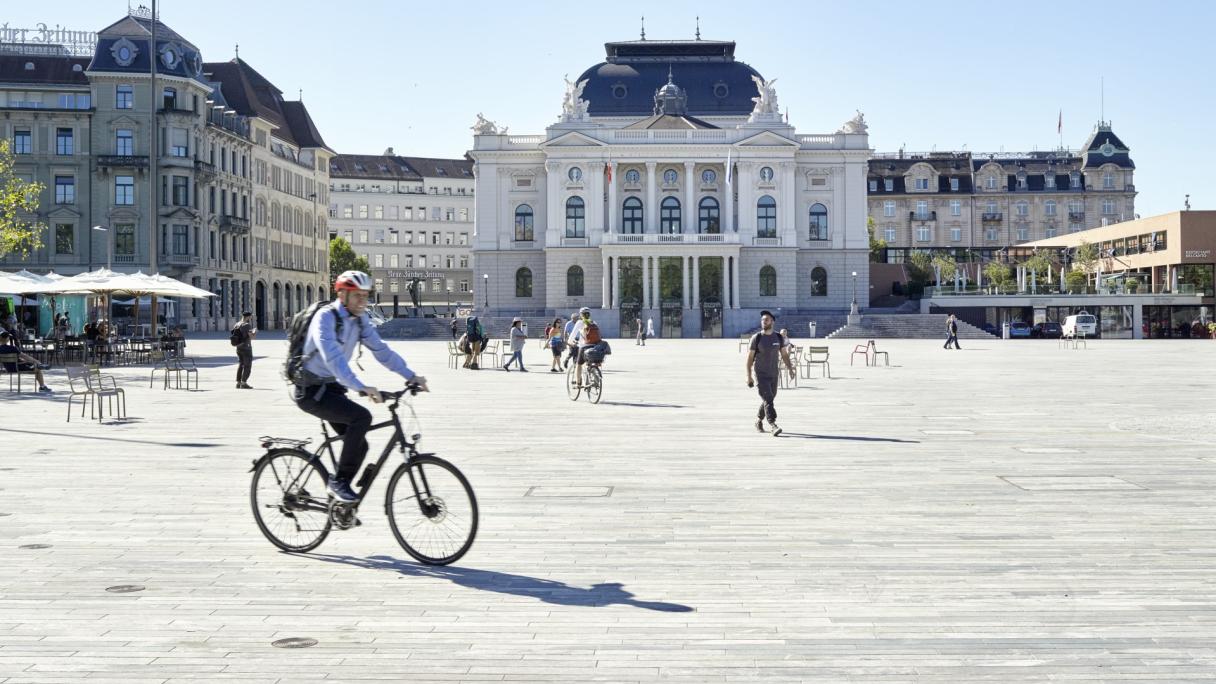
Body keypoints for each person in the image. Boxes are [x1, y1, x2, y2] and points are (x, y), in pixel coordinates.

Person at [293, 270, 427, 503]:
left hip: (332, 388)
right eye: (357, 296)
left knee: (360, 446)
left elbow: (381, 350)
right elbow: (333, 359)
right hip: (310, 389)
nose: (363, 301)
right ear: (342, 294)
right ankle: (339, 483)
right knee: (361, 417)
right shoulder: (325, 318)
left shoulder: (359, 319)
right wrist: (362, 387)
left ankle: (341, 504)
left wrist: (411, 376)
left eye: (365, 296)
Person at [745, 310, 795, 436]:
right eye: (762, 319)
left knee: (769, 399)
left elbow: (784, 354)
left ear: (772, 321)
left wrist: (790, 369)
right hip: (760, 374)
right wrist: (749, 376)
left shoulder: (778, 337)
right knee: (768, 398)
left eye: (766, 319)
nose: (764, 321)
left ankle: (758, 420)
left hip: (773, 374)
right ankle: (773, 424)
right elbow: (749, 358)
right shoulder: (756, 338)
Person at [567, 306, 601, 389]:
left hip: (584, 346)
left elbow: (572, 335)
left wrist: (569, 342)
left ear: (581, 315)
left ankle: (578, 383)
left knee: (579, 364)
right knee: (591, 363)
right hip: (595, 346)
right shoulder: (594, 322)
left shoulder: (580, 322)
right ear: (589, 315)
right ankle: (594, 376)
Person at [234, 311, 256, 388]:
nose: (251, 318)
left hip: (238, 347)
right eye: (250, 316)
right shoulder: (247, 325)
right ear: (248, 317)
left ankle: (238, 382)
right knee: (247, 365)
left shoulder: (237, 324)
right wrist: (254, 332)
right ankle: (244, 383)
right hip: (246, 347)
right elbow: (252, 337)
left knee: (241, 364)